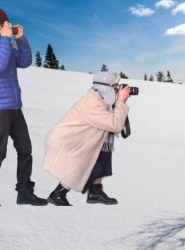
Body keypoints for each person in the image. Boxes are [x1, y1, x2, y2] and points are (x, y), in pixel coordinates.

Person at [0, 3, 47, 206]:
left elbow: (24, 61)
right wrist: (5, 39)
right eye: (3, 24)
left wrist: (20, 39)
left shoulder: (3, 44)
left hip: (14, 105)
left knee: (25, 149)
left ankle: (24, 192)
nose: (7, 26)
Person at [43, 72, 131, 206]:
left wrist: (119, 101)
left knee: (102, 156)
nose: (117, 88)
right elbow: (115, 124)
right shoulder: (92, 103)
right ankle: (58, 194)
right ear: (106, 87)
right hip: (67, 141)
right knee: (83, 164)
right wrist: (121, 102)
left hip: (77, 139)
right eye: (115, 86)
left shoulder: (99, 98)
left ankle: (95, 192)